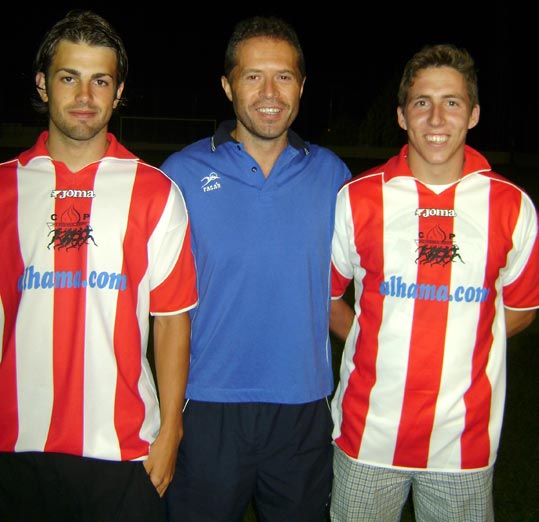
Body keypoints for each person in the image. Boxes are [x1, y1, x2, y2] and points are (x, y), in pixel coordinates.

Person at [0, 10, 198, 522]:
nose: (84, 96)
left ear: (118, 91)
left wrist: (172, 430)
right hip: (14, 446)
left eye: (100, 81)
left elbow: (172, 320)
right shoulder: (3, 189)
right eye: (69, 77)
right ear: (43, 85)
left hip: (124, 449)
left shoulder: (155, 192)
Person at [328, 43, 539, 522]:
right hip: (367, 436)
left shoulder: (511, 207)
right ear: (402, 116)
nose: (437, 118)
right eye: (422, 102)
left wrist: (461, 334)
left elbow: (523, 309)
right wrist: (372, 336)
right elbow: (329, 299)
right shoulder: (358, 199)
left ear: (474, 114)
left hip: (462, 444)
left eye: (452, 102)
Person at [160, 15, 352, 522]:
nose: (270, 92)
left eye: (284, 76)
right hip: (206, 406)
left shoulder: (333, 175)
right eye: (252, 76)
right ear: (227, 85)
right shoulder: (178, 174)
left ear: (302, 85)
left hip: (304, 409)